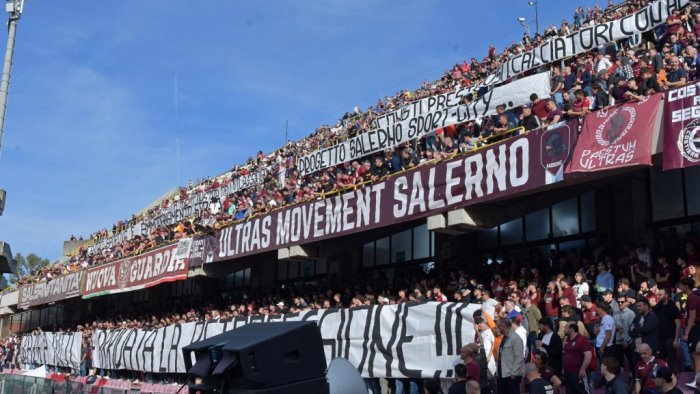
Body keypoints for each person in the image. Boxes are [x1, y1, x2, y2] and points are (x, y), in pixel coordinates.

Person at [654, 288, 681, 372]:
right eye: (658, 294)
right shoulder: (657, 307)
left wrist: (676, 339)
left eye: (660, 295)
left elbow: (678, 324)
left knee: (672, 359)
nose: (658, 296)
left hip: (670, 338)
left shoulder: (673, 308)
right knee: (661, 360)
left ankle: (674, 378)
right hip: (659, 338)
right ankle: (663, 377)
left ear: (666, 295)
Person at [563, 322, 593, 394]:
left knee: (582, 391)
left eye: (566, 328)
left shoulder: (582, 340)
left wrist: (583, 369)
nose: (564, 330)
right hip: (568, 372)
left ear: (572, 329)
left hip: (578, 372)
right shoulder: (567, 340)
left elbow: (588, 355)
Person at [497, 318, 524, 394]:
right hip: (504, 373)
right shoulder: (504, 337)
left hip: (511, 375)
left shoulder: (515, 338)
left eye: (498, 327)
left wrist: (514, 373)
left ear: (503, 326)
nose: (498, 329)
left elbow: (519, 357)